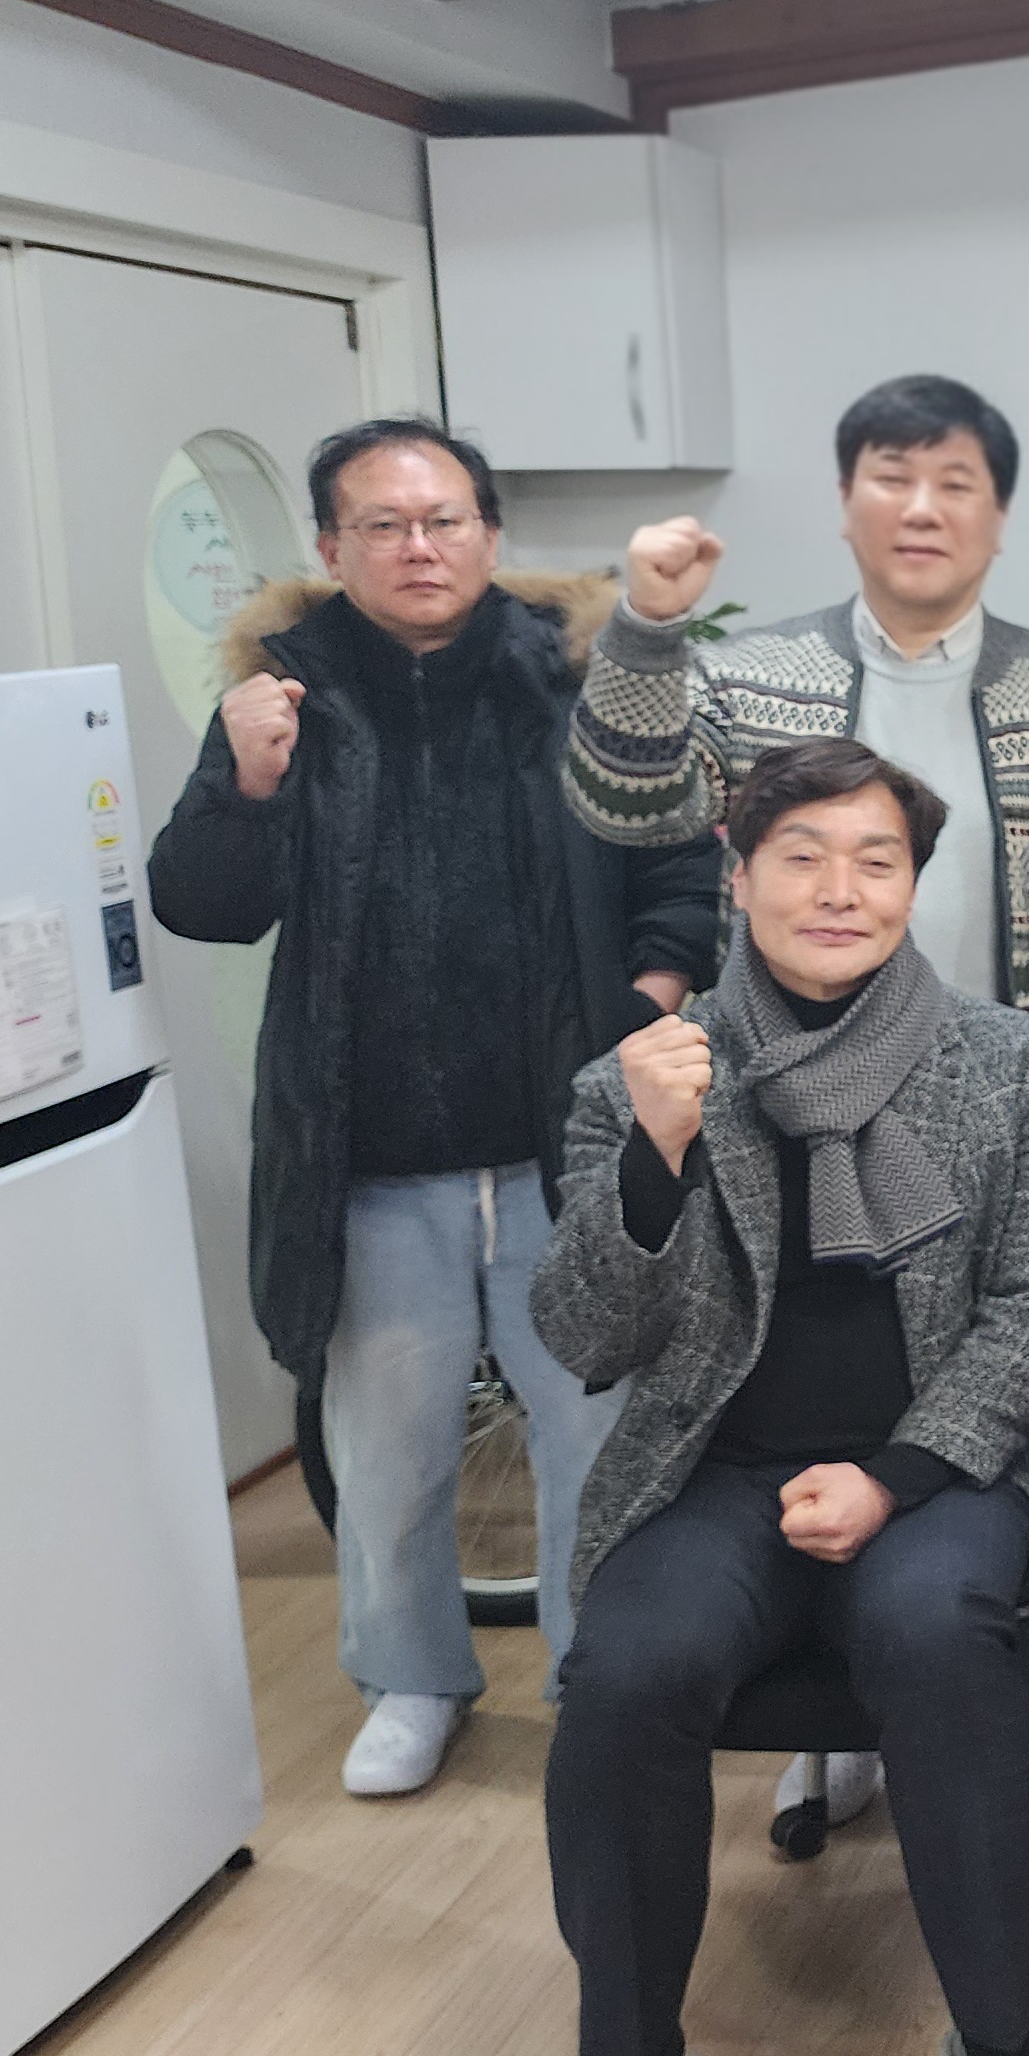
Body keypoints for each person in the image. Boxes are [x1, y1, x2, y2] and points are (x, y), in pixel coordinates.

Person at [508, 738, 1029, 2056]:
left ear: (915, 886)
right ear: (737, 878)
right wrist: (653, 1160)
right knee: (625, 1669)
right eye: (801, 856)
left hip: (942, 1469)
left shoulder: (1011, 1064)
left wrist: (897, 1476)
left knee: (933, 1632)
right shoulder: (634, 1082)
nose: (838, 889)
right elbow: (585, 1338)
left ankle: (1007, 2055)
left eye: (875, 860)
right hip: (715, 1472)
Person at [563, 370, 1029, 1828]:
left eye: (957, 482)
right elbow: (624, 803)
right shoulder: (753, 677)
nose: (922, 507)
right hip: (783, 1100)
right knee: (795, 1389)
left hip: (990, 1119)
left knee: (971, 1419)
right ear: (846, 503)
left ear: (998, 517)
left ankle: (983, 1691)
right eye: (893, 476)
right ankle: (831, 1709)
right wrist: (646, 626)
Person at [149, 416, 719, 1802]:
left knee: (592, 1436)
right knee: (389, 1455)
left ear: (490, 534)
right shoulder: (284, 693)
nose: (419, 547)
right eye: (384, 525)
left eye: (445, 519)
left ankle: (599, 1677)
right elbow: (201, 904)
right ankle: (410, 1679)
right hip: (372, 1156)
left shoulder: (575, 677)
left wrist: (643, 1005)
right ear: (330, 546)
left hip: (565, 1144)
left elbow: (679, 863)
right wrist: (249, 781)